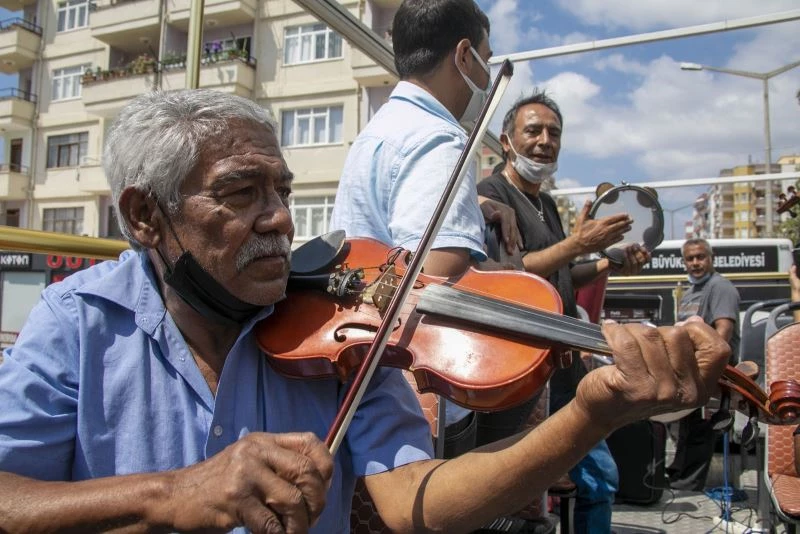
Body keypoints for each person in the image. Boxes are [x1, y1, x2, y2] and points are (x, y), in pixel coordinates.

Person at [0, 94, 732, 534]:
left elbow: (422, 503)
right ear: (145, 217)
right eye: (241, 194)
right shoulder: (78, 321)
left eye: (281, 192)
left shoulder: (345, 336)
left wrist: (590, 417)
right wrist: (172, 495)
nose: (281, 221)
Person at [329, 0, 521, 458]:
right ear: (462, 56)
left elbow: (389, 234)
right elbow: (437, 275)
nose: (488, 75)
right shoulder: (439, 136)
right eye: (486, 60)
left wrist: (472, 205)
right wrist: (513, 274)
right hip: (417, 386)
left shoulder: (381, 127)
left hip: (364, 366)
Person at [476, 90, 651, 534]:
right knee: (572, 486)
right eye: (532, 130)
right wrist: (577, 244)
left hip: (565, 365)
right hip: (525, 369)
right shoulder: (491, 193)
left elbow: (562, 275)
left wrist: (609, 261)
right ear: (506, 139)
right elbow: (509, 275)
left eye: (554, 132)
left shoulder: (546, 203)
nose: (544, 140)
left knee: (595, 482)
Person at [667, 237, 741, 491]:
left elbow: (723, 332)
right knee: (686, 423)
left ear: (711, 258)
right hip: (691, 369)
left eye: (701, 257)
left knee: (701, 426)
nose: (695, 263)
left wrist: (705, 369)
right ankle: (679, 472)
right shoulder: (690, 292)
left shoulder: (720, 287)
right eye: (690, 258)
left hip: (712, 371)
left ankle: (689, 482)